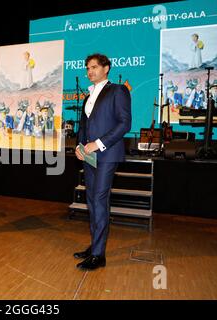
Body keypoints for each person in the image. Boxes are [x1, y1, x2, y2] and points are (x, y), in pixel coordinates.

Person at [74, 53, 132, 271]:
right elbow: (83, 125)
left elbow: (124, 124)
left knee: (99, 199)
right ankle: (94, 246)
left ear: (106, 68)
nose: (90, 71)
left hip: (107, 154)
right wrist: (80, 146)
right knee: (91, 201)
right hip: (88, 154)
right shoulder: (88, 96)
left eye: (94, 67)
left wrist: (97, 143)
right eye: (87, 68)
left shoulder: (118, 90)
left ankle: (99, 255)